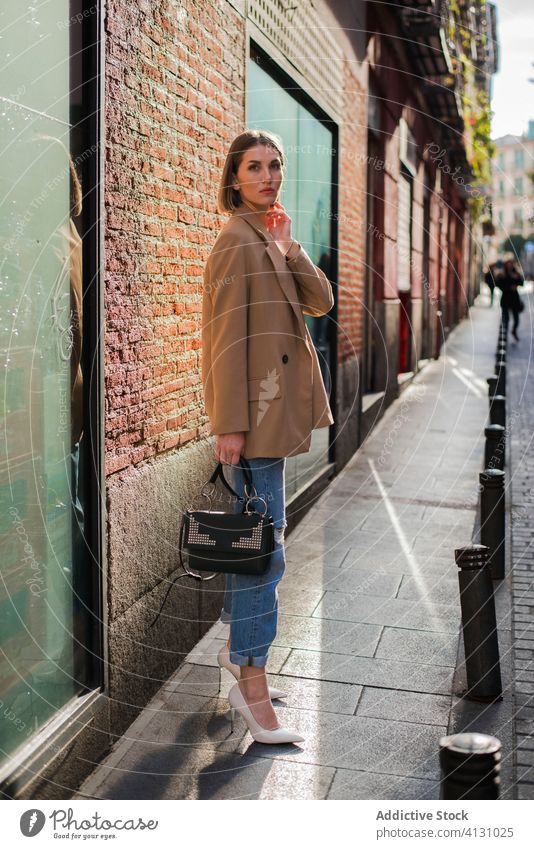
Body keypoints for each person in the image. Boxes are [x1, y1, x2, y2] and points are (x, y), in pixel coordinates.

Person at [201, 129, 335, 744]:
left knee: (254, 544)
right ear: (234, 178)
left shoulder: (269, 235)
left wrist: (291, 248)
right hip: (253, 419)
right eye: (254, 167)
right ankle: (250, 681)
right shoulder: (233, 241)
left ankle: (238, 648)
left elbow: (322, 301)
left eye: (275, 166)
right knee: (265, 555)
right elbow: (222, 342)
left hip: (270, 415)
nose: (268, 176)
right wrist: (228, 423)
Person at [496, 258, 524, 340]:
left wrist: (517, 278)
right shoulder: (502, 273)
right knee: (506, 319)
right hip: (505, 299)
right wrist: (508, 287)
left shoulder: (515, 273)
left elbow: (522, 283)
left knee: (516, 319)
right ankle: (505, 336)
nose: (509, 265)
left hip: (515, 299)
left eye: (510, 263)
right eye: (507, 264)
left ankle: (514, 331)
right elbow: (498, 285)